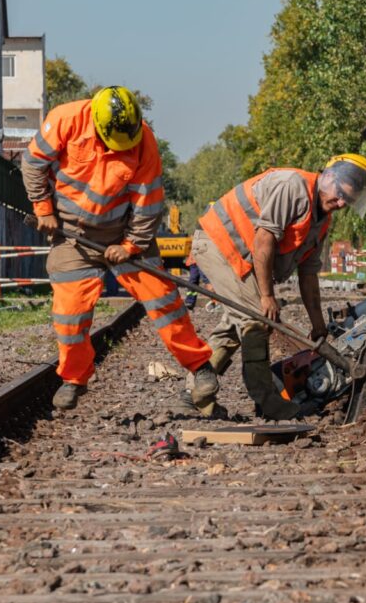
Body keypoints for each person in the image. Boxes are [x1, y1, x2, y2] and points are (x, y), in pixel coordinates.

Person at [21, 86, 219, 410]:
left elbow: (148, 201)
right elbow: (32, 164)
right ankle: (74, 378)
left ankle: (200, 367)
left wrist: (131, 245)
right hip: (72, 237)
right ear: (97, 124)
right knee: (69, 315)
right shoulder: (64, 120)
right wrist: (43, 209)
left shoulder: (144, 141)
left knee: (164, 300)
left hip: (124, 233)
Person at [180, 154, 366, 419]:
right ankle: (269, 403)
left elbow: (308, 274)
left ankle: (194, 394)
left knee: (234, 326)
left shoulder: (321, 222)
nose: (341, 203)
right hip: (219, 244)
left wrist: (317, 324)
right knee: (257, 320)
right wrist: (266, 296)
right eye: (340, 194)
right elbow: (264, 241)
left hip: (240, 256)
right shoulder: (293, 187)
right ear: (328, 177)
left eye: (348, 201)